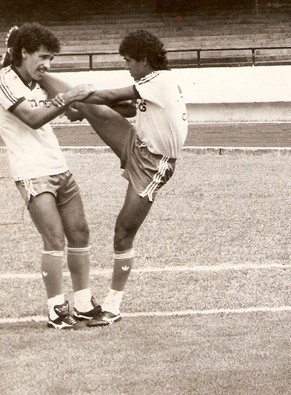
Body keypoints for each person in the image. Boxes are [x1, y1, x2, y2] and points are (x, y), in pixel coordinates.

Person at [43, 29, 188, 327]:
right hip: (137, 144)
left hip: (154, 164)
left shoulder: (160, 80)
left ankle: (113, 305)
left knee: (123, 233)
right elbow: (124, 106)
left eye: (129, 62)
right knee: (87, 105)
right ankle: (39, 75)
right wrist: (81, 109)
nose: (128, 67)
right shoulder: (152, 81)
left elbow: (110, 96)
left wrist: (72, 96)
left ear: (145, 60)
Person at [0, 23, 100, 329]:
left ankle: (83, 303)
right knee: (54, 238)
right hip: (32, 172)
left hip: (59, 167)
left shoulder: (42, 83)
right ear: (24, 52)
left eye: (52, 59)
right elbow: (32, 118)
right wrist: (68, 97)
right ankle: (57, 309)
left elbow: (73, 112)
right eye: (43, 56)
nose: (47, 64)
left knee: (80, 232)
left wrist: (80, 102)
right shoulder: (4, 81)